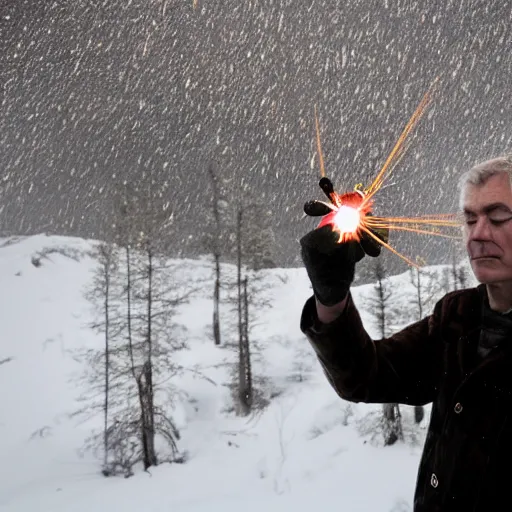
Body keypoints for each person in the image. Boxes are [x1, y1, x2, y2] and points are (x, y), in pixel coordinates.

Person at [299, 155, 512, 511]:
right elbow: (365, 377)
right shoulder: (456, 318)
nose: (478, 233)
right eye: (470, 218)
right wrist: (330, 297)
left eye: (498, 216)